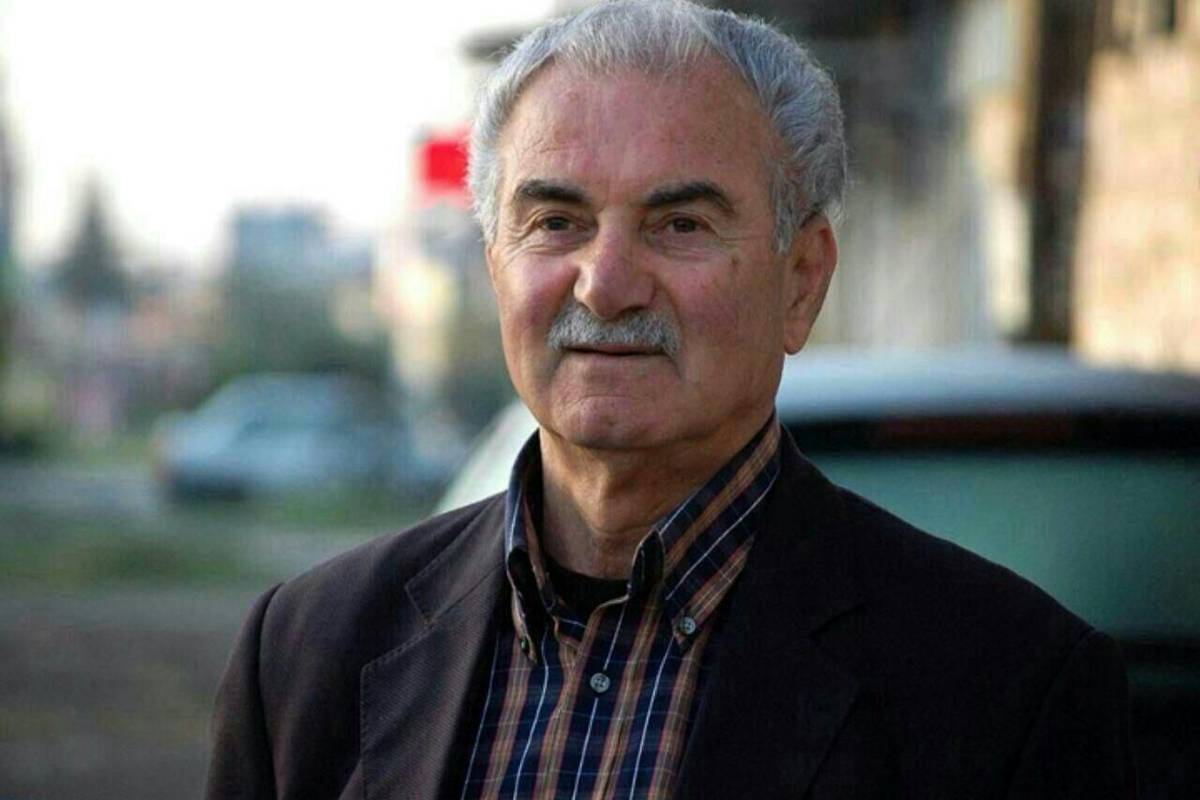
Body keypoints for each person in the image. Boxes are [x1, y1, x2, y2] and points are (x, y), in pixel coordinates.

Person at [206, 1, 1136, 797]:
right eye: (556, 221)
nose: (606, 285)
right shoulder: (308, 651)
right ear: (495, 267)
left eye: (680, 224)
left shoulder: (1008, 690)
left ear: (802, 280)